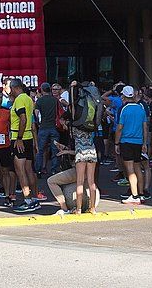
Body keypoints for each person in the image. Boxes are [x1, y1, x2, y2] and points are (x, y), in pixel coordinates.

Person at [68, 80, 102, 214]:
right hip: (91, 149)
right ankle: (93, 208)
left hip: (80, 151)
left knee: (80, 182)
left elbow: (71, 104)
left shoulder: (76, 122)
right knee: (92, 182)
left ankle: (79, 209)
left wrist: (71, 88)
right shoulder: (91, 122)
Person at [7, 79, 38, 211]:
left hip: (19, 138)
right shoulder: (29, 99)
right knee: (29, 169)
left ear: (14, 88)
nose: (10, 91)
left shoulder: (19, 99)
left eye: (10, 89)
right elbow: (30, 121)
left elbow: (23, 119)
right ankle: (34, 198)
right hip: (28, 137)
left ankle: (28, 200)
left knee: (20, 171)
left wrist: (19, 138)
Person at [114, 85, 148, 204]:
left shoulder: (124, 109)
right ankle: (141, 193)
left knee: (130, 169)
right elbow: (145, 127)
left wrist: (116, 143)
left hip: (126, 141)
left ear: (123, 95)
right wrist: (144, 142)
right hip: (138, 141)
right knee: (138, 167)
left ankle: (134, 196)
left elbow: (119, 128)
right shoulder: (140, 108)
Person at [34, 82, 59, 177]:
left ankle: (39, 170)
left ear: (42, 90)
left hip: (43, 127)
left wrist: (38, 123)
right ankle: (54, 170)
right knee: (54, 150)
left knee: (40, 150)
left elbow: (36, 114)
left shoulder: (39, 101)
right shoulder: (55, 100)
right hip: (54, 127)